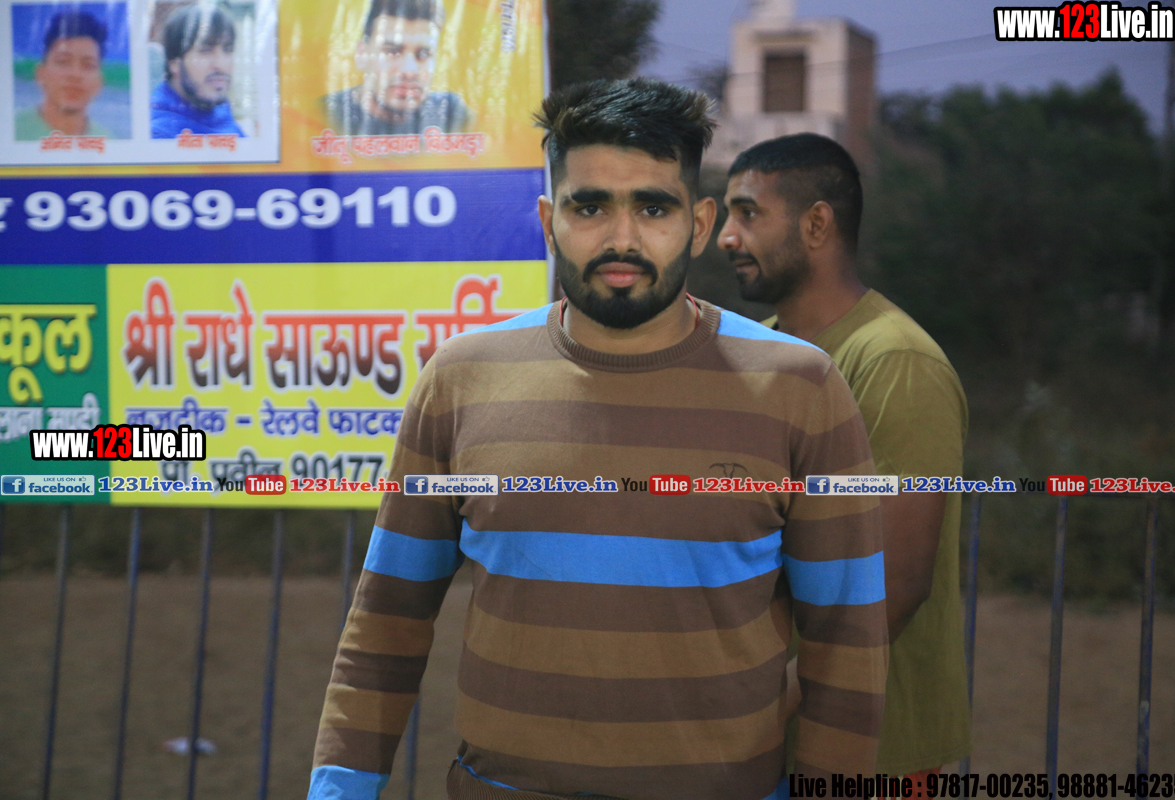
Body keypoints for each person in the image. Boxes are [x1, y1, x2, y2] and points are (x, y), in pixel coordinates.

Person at [308, 79, 888, 800]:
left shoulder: (802, 385)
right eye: (589, 207)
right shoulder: (460, 377)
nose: (622, 239)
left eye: (653, 207)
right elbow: (387, 622)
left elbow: (846, 644)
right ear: (548, 221)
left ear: (699, 223)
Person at [718, 133, 972, 785]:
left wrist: (761, 715)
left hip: (868, 752)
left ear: (816, 224)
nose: (725, 236)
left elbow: (896, 582)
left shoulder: (895, 360)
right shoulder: (756, 351)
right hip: (759, 748)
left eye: (748, 213)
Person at [322, 0, 471, 136]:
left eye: (423, 54)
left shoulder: (451, 113)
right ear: (361, 54)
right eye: (392, 52)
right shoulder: (324, 114)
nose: (409, 71)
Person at [150, 4, 245, 138]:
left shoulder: (223, 118)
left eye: (227, 50)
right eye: (205, 51)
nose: (220, 65)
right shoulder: (157, 134)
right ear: (174, 63)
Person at [15, 10, 110, 140]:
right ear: (40, 73)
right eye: (63, 61)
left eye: (88, 65)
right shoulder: (12, 131)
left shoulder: (109, 140)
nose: (75, 75)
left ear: (100, 82)